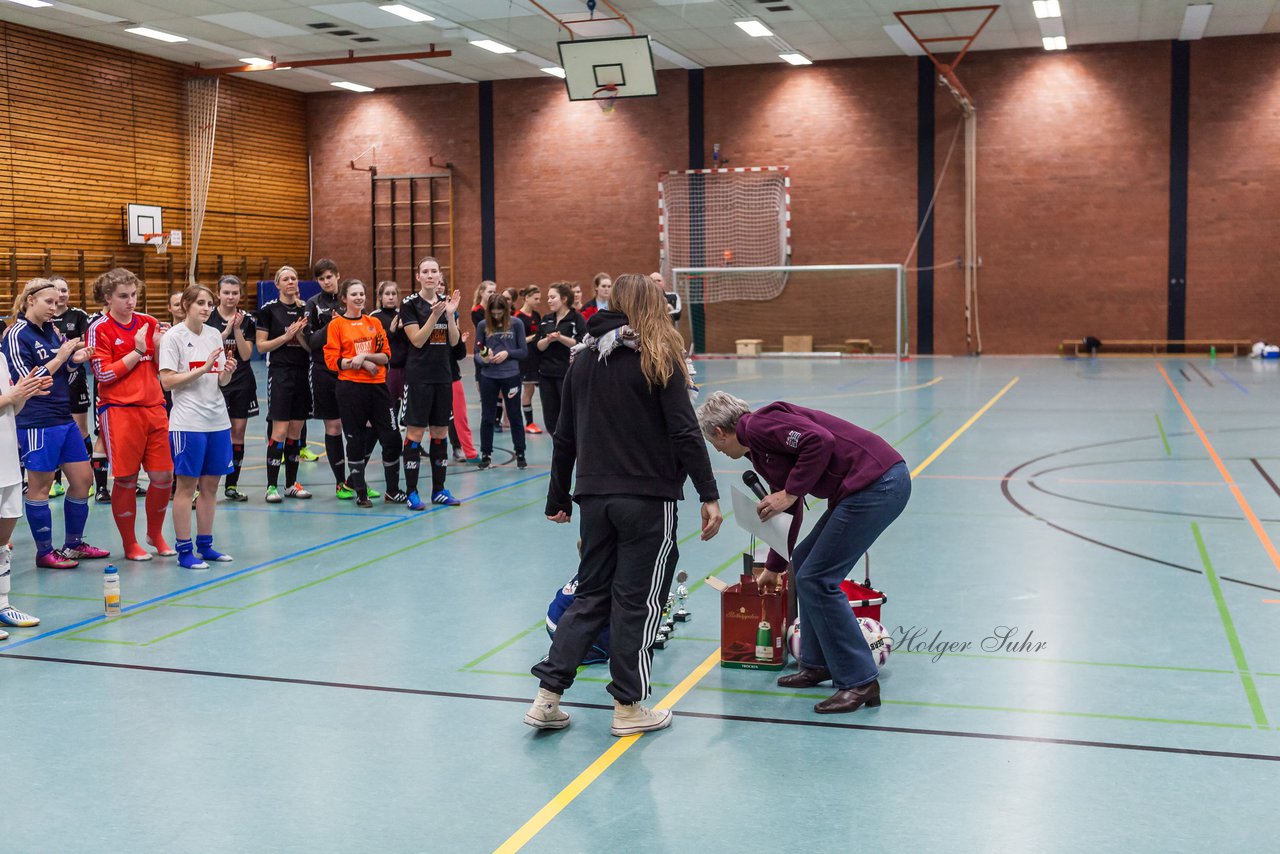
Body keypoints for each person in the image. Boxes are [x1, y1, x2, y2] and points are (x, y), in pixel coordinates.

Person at [524, 273, 723, 737]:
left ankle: (546, 699)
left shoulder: (582, 357)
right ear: (651, 306)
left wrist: (558, 498)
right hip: (648, 501)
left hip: (595, 498)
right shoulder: (659, 354)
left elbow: (564, 436)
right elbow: (684, 431)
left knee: (590, 597)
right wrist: (708, 494)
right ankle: (629, 707)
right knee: (637, 603)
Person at [696, 391, 911, 715]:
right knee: (805, 566)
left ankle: (860, 681)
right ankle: (818, 663)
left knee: (817, 578)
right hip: (861, 489)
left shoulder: (759, 425)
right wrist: (774, 567)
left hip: (878, 484)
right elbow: (789, 508)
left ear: (719, 433)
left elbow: (819, 441)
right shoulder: (757, 451)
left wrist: (790, 492)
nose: (720, 451)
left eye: (715, 445)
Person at [6, 278, 110, 568]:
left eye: (57, 302)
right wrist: (61, 356)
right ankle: (44, 552)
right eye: (48, 302)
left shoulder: (50, 332)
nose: (55, 307)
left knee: (83, 481)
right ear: (30, 300)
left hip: (63, 417)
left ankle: (73, 544)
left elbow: (61, 370)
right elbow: (24, 381)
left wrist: (74, 359)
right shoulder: (16, 334)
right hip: (37, 421)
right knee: (40, 486)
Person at [88, 268, 175, 561]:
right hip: (119, 411)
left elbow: (163, 368)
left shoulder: (149, 323)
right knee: (125, 478)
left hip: (154, 407)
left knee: (164, 476)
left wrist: (162, 347)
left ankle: (156, 533)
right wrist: (137, 352)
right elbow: (102, 373)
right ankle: (130, 543)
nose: (130, 301)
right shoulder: (99, 328)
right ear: (108, 298)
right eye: (123, 296)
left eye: (134, 295)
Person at [158, 285, 237, 569]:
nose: (206, 308)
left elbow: (219, 382)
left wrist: (224, 373)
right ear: (186, 305)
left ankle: (206, 545)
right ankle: (184, 550)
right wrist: (201, 370)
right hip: (187, 423)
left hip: (217, 420)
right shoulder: (173, 337)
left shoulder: (214, 334)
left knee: (211, 486)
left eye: (209, 304)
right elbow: (167, 381)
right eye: (201, 303)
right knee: (186, 487)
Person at [324, 279, 406, 507]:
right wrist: (356, 364)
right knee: (355, 439)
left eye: (362, 293)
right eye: (354, 294)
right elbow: (332, 361)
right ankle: (360, 491)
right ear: (344, 298)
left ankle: (392, 490)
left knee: (391, 437)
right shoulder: (337, 325)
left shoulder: (374, 323)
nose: (359, 298)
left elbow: (386, 355)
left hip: (378, 388)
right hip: (350, 389)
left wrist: (365, 357)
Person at [399, 256, 463, 510]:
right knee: (415, 433)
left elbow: (455, 342)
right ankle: (412, 491)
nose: (429, 275)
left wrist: (448, 315)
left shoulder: (447, 304)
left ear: (439, 276)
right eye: (425, 271)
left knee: (440, 433)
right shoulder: (410, 304)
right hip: (419, 378)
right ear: (418, 277)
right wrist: (434, 317)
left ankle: (439, 489)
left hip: (442, 376)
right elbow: (416, 340)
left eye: (434, 271)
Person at [0, 347, 49, 638]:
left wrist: (24, 393)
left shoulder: (1, 357)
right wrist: (12, 396)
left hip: (6, 457)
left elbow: (11, 408)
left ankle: (3, 603)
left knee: (3, 539)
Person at [255, 266, 312, 503]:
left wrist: (300, 337)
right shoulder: (269, 310)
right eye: (285, 279)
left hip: (302, 373)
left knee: (295, 432)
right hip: (280, 374)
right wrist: (286, 337)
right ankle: (271, 486)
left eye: (294, 278)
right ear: (277, 284)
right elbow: (261, 346)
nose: (291, 282)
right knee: (279, 431)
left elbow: (312, 349)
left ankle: (291, 484)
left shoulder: (305, 309)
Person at [307, 259, 360, 499]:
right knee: (334, 426)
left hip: (351, 371)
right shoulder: (313, 304)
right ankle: (340, 483)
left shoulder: (351, 297)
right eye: (321, 278)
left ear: (338, 275)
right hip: (324, 370)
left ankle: (356, 479)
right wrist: (333, 323)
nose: (327, 281)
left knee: (357, 425)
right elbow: (311, 342)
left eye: (330, 276)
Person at [205, 275, 257, 501]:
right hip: (215, 382)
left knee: (237, 432)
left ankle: (232, 486)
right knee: (214, 433)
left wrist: (236, 329)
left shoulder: (248, 320)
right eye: (226, 292)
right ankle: (204, 486)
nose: (230, 297)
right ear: (218, 293)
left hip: (242, 382)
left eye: (235, 293)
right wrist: (225, 330)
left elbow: (246, 355)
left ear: (240, 295)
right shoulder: (208, 318)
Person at [49, 275, 93, 498]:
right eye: (58, 290)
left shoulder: (78, 315)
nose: (62, 294)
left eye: (65, 290)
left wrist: (68, 346)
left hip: (75, 378)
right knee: (55, 430)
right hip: (53, 379)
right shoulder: (45, 317)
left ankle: (88, 479)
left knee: (80, 429)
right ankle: (54, 482)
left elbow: (89, 341)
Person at [473, 293, 527, 470]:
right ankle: (486, 454)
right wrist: (485, 359)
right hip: (489, 377)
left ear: (506, 310)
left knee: (514, 415)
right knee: (487, 417)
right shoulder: (482, 325)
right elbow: (476, 353)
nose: (496, 316)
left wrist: (507, 353)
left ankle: (520, 452)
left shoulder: (516, 324)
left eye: (499, 313)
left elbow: (523, 352)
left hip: (510, 375)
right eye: (493, 313)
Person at [534, 282, 584, 436]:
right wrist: (548, 340)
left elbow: (581, 343)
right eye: (548, 297)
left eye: (552, 297)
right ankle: (556, 439)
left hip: (566, 374)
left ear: (563, 299)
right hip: (546, 374)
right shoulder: (546, 319)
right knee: (550, 415)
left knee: (568, 412)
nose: (548, 300)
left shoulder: (576, 318)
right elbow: (539, 345)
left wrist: (560, 337)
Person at [370, 280, 408, 421]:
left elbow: (411, 341)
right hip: (387, 369)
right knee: (388, 406)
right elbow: (375, 344)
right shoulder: (375, 316)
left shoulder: (404, 314)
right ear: (380, 297)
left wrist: (404, 330)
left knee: (406, 408)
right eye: (387, 294)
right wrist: (391, 331)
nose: (391, 297)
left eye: (394, 294)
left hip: (405, 368)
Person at [514, 285, 543, 434]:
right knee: (528, 390)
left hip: (538, 357)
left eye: (539, 298)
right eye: (535, 298)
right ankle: (529, 422)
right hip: (525, 359)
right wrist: (534, 337)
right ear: (526, 298)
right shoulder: (517, 318)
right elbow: (516, 341)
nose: (538, 301)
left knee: (537, 389)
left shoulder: (537, 315)